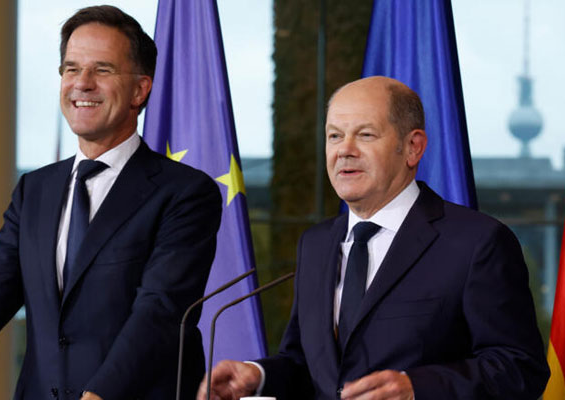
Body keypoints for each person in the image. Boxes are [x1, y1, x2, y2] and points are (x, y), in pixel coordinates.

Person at [0, 5, 221, 400]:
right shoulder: (34, 191)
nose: (82, 83)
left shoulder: (184, 193)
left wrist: (98, 396)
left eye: (103, 69)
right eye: (71, 69)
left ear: (140, 89)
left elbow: (158, 313)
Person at [198, 76, 549, 400]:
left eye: (365, 135)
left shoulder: (477, 243)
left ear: (413, 147)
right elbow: (309, 366)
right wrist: (257, 376)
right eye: (335, 135)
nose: (344, 150)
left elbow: (520, 369)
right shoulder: (316, 244)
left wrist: (416, 388)